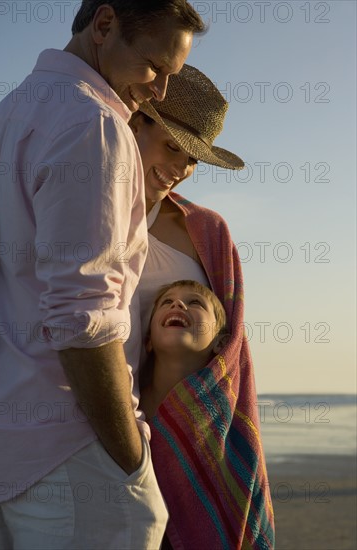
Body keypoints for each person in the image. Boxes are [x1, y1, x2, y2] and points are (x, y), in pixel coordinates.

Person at [0, 1, 205, 549]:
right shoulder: (97, 124)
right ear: (104, 25)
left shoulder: (10, 110)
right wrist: (129, 458)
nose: (158, 91)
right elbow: (82, 317)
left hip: (7, 438)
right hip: (73, 446)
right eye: (155, 67)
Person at [129, 65, 275, 549]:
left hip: (187, 425)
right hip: (88, 412)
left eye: (193, 159)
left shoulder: (206, 232)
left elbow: (229, 342)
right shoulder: (80, 208)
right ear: (135, 122)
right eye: (172, 146)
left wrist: (193, 423)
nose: (180, 168)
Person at [139, 279, 230, 421]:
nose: (177, 304)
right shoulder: (126, 404)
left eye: (195, 302)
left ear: (220, 342)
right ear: (148, 341)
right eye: (167, 302)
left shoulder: (221, 418)